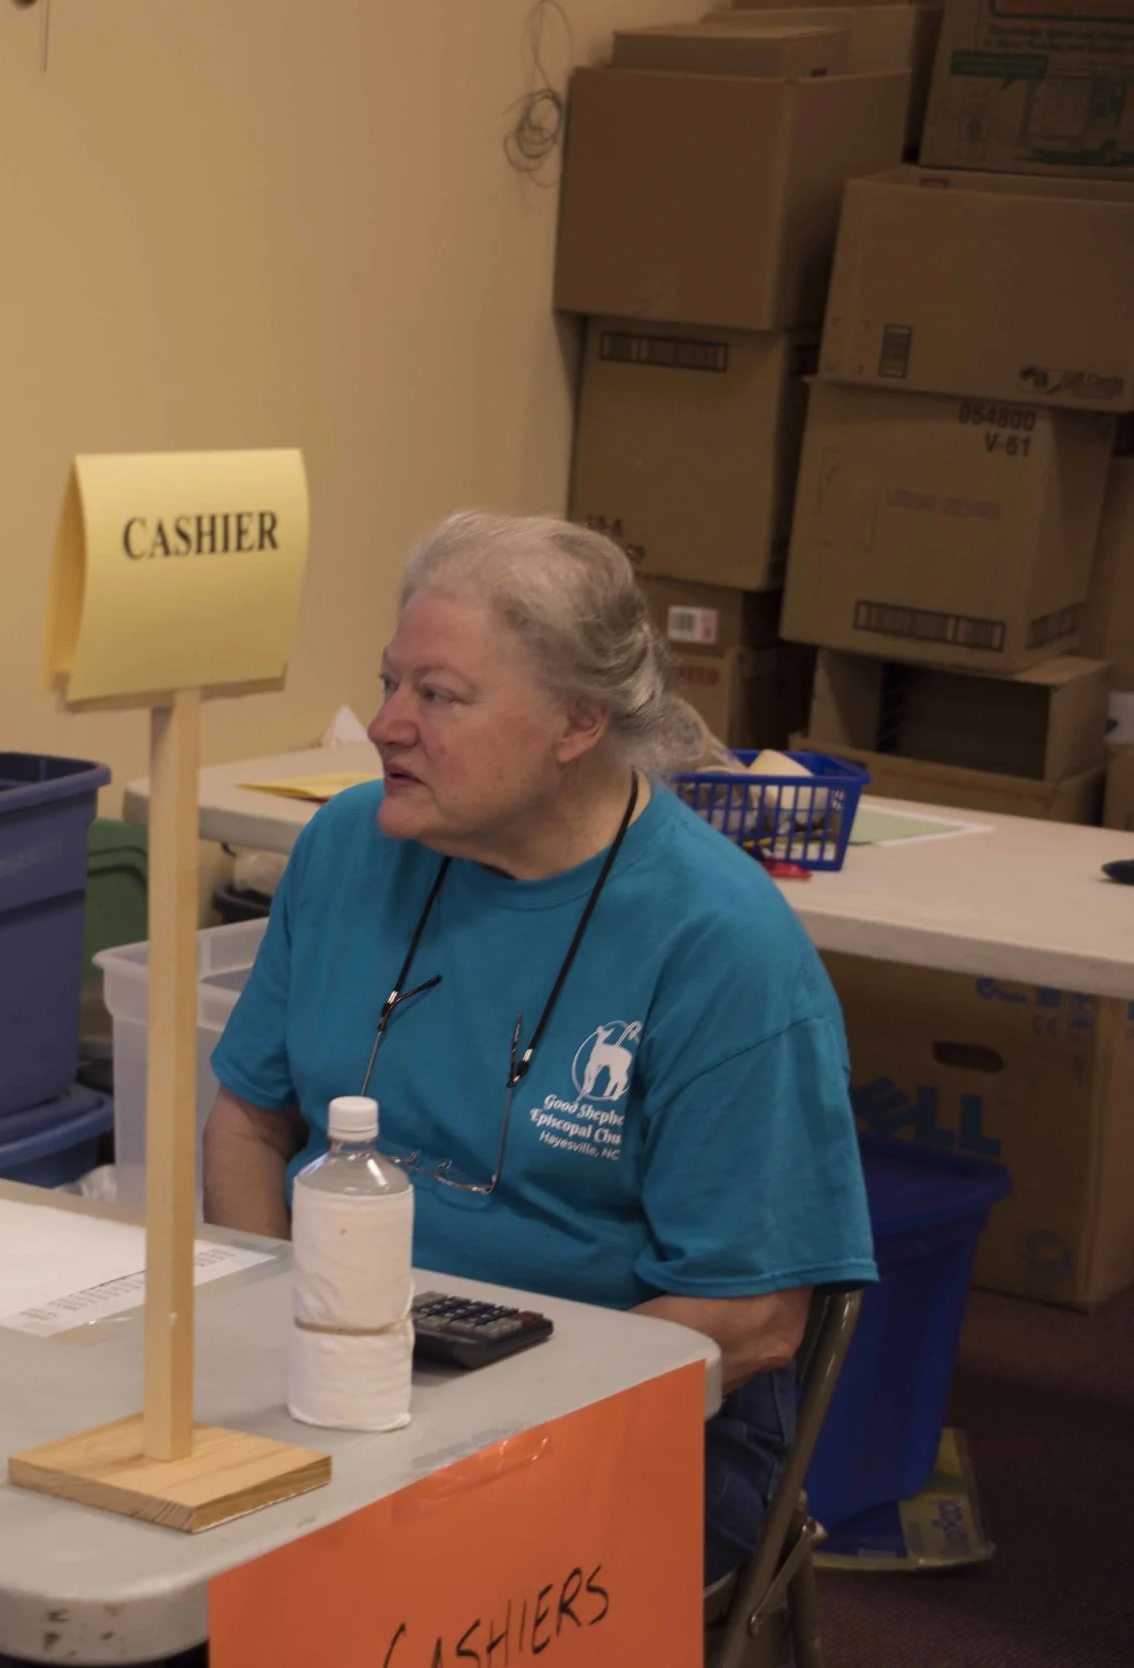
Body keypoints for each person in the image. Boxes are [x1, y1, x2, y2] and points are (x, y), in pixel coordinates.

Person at [203, 510, 875, 1587]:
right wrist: (274, 1326)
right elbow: (247, 1119)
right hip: (334, 1368)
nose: (384, 725)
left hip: (617, 1407)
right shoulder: (347, 847)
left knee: (314, 1595)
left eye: (438, 696)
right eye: (389, 682)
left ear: (577, 722)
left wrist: (475, 1434)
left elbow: (750, 1319)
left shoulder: (721, 945)